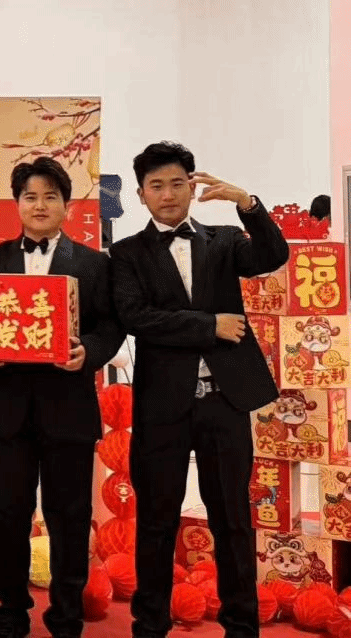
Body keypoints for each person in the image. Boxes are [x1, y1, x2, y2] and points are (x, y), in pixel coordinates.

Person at [112, 142, 288, 638]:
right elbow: (136, 317)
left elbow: (273, 255)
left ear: (192, 187)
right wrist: (209, 325)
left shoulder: (225, 239)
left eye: (177, 183)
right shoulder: (127, 254)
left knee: (232, 517)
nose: (168, 194)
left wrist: (247, 202)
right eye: (156, 186)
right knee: (156, 519)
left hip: (225, 400)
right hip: (161, 405)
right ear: (142, 195)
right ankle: (150, 624)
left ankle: (242, 624)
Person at [0, 158, 123, 638]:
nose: (39, 205)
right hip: (9, 409)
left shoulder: (94, 264)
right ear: (17, 203)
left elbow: (112, 326)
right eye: (30, 197)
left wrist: (88, 351)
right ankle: (10, 613)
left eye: (50, 197)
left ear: (67, 206)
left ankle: (66, 615)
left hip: (69, 408)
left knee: (70, 518)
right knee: (9, 515)